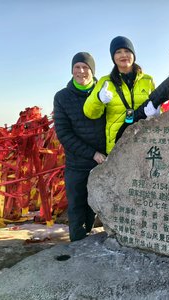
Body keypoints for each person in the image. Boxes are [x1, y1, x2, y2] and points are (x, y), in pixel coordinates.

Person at [53, 52, 107, 242]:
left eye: (86, 67)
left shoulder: (105, 92)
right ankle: (77, 246)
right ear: (72, 70)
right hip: (77, 163)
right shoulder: (62, 97)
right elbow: (64, 134)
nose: (81, 71)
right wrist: (93, 154)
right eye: (77, 67)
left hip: (104, 162)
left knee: (94, 206)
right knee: (76, 206)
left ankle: (88, 243)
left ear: (92, 70)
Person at [83, 36, 155, 154]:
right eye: (118, 52)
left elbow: (157, 106)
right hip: (117, 144)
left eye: (127, 51)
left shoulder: (148, 80)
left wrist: (157, 113)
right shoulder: (106, 81)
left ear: (133, 55)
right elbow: (90, 113)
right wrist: (98, 99)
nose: (123, 55)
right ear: (113, 57)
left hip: (145, 141)